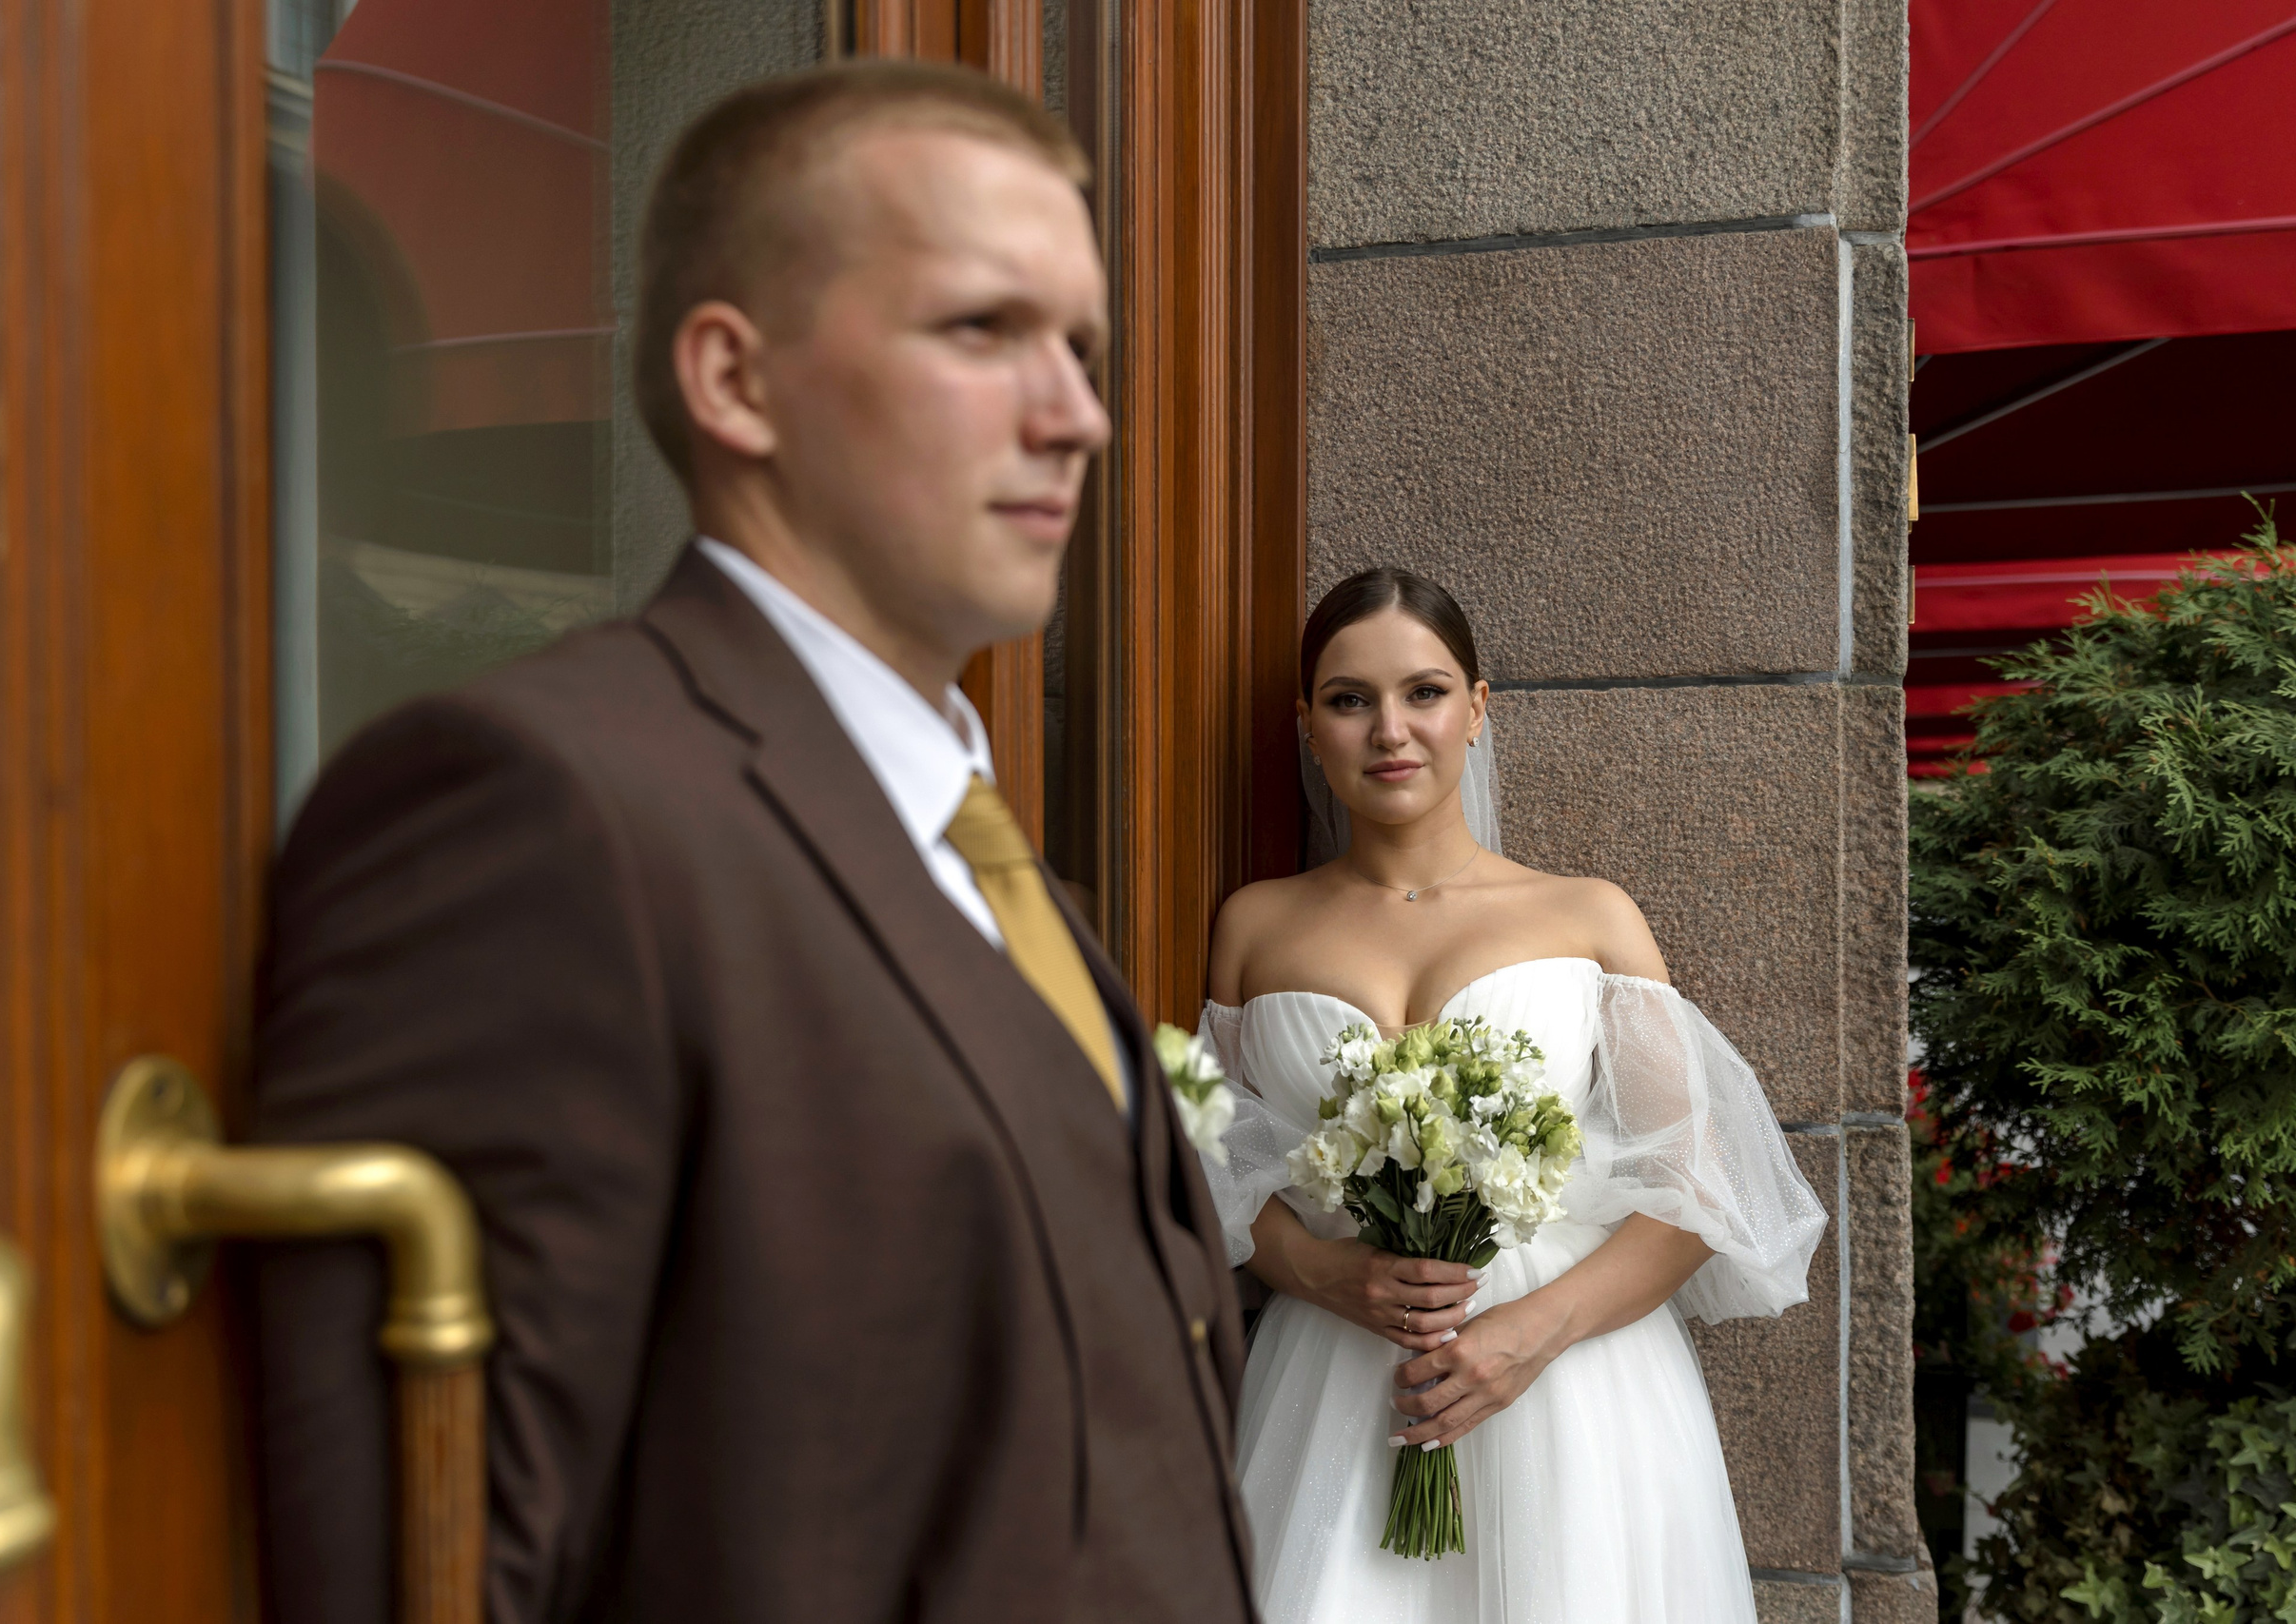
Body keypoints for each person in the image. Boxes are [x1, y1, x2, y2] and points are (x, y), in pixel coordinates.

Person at [250, 62, 1253, 1624]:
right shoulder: (540, 808)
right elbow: (428, 1571)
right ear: (735, 378)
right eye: (981, 328)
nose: (1077, 416)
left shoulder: (981, 847)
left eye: (1082, 345)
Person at [1199, 566, 1828, 1622]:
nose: (1390, 730)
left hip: (1571, 1389)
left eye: (1425, 692)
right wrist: (1319, 1270)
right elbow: (1219, 1165)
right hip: (1335, 1376)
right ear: (1308, 725)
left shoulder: (1589, 918)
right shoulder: (1252, 926)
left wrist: (1525, 1335)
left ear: (1478, 707)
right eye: (1350, 699)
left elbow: (1699, 1189)